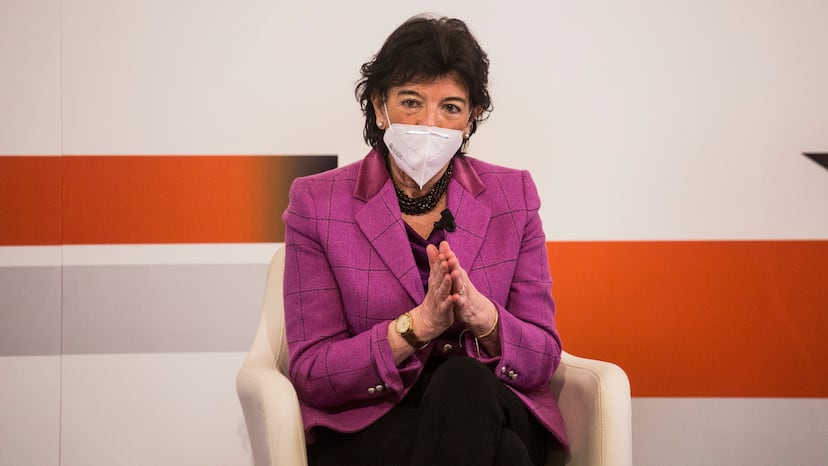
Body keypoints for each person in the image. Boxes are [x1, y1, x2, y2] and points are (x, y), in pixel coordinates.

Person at [282, 14, 567, 466]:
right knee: (506, 455)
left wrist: (484, 317)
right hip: (376, 415)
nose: (428, 123)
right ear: (379, 106)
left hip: (492, 400)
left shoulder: (513, 196)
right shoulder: (318, 203)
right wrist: (418, 326)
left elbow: (543, 355)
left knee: (463, 381)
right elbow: (313, 371)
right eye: (411, 102)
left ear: (471, 118)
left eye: (450, 108)